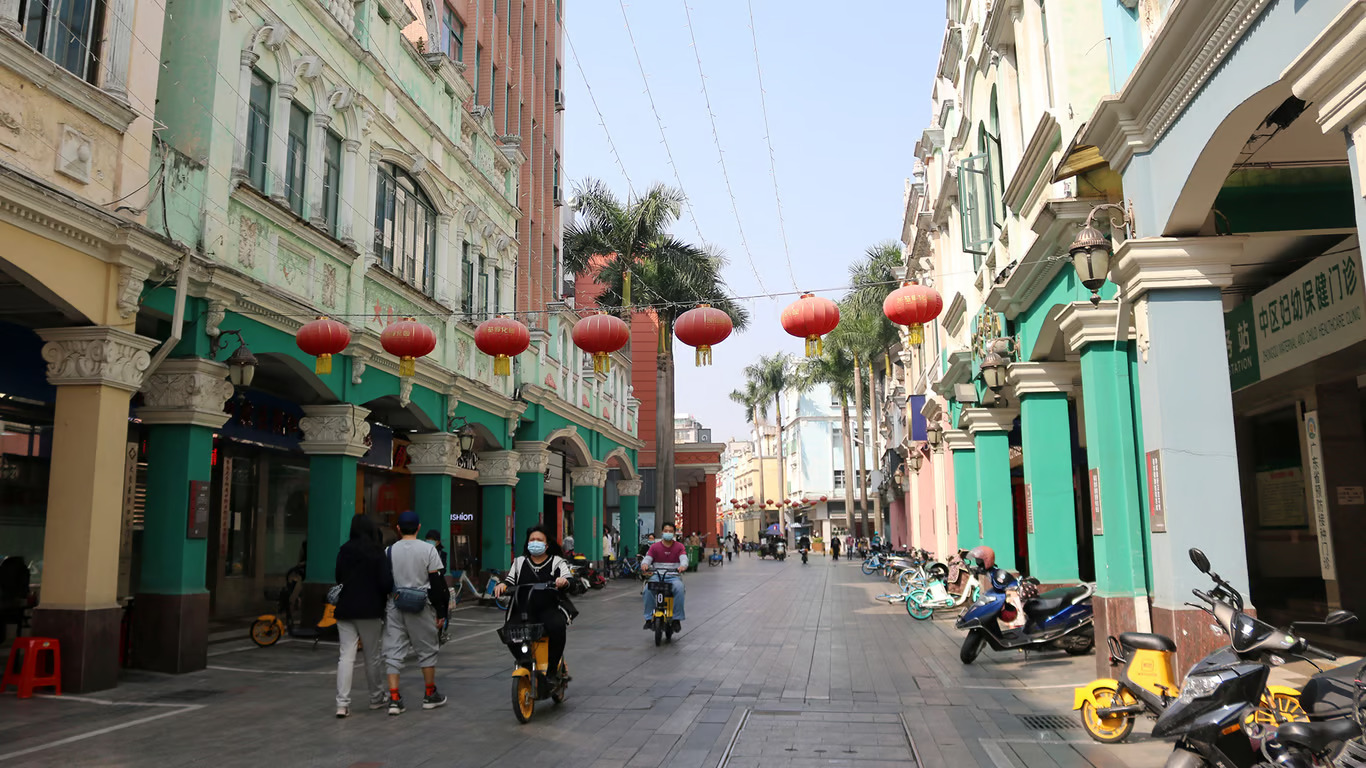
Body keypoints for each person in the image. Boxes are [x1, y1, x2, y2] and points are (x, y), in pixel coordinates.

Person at [382, 510, 449, 715]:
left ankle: (394, 698)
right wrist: (441, 611)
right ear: (419, 528)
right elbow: (437, 584)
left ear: (399, 528)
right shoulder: (429, 551)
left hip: (395, 604)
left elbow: (385, 581)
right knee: (427, 649)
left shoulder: (389, 551)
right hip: (422, 604)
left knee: (393, 651)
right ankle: (430, 694)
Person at [494, 527, 574, 683]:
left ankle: (552, 671)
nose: (535, 543)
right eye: (532, 540)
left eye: (539, 540)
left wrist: (563, 582)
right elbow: (509, 581)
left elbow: (569, 580)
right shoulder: (519, 562)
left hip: (548, 609)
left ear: (547, 544)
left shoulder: (557, 562)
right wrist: (502, 586)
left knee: (558, 628)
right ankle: (525, 660)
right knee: (509, 631)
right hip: (523, 610)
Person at [333, 515, 392, 718]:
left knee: (345, 656)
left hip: (346, 609)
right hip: (370, 610)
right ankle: (376, 698)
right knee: (372, 656)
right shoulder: (377, 552)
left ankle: (342, 704)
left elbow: (338, 576)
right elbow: (385, 582)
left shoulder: (344, 550)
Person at [640, 523, 687, 631]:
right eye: (666, 531)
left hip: (673, 577)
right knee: (647, 590)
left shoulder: (679, 547)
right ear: (662, 532)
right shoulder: (654, 547)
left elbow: (684, 558)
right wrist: (645, 564)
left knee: (679, 589)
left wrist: (683, 566)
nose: (668, 533)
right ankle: (648, 618)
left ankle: (676, 619)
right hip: (657, 576)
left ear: (674, 533)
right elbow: (648, 558)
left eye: (670, 531)